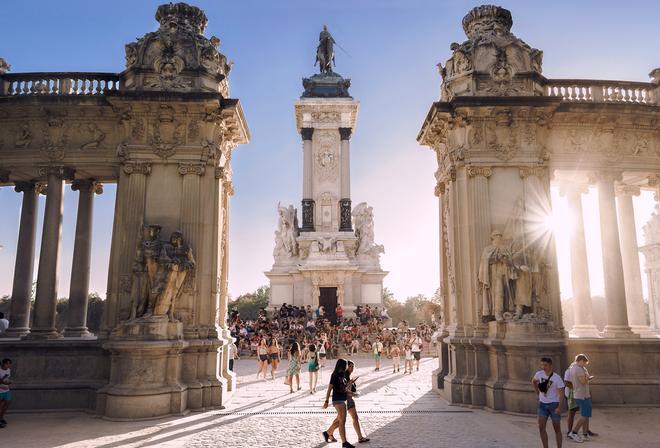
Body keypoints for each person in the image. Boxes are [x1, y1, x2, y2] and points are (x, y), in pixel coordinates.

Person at [327, 360, 370, 444]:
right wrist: (350, 384)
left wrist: (351, 384)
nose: (351, 368)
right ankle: (330, 434)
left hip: (348, 399)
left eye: (352, 366)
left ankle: (329, 433)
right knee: (341, 420)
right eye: (350, 366)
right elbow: (342, 388)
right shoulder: (342, 375)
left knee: (344, 419)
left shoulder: (346, 375)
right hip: (346, 399)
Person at [322, 359, 355, 448]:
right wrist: (326, 401)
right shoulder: (334, 375)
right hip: (337, 400)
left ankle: (327, 433)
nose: (346, 367)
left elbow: (343, 388)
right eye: (345, 365)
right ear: (342, 366)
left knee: (339, 420)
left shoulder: (342, 375)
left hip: (342, 399)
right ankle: (344, 442)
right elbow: (329, 389)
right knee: (342, 421)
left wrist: (349, 384)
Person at [533, 357, 565, 448]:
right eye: (542, 365)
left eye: (545, 365)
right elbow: (534, 381)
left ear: (551, 365)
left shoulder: (557, 378)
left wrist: (559, 407)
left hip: (554, 405)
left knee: (557, 429)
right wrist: (537, 393)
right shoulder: (539, 374)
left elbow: (561, 394)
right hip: (542, 404)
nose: (543, 367)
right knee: (541, 427)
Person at [568, 354, 597, 442]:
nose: (585, 364)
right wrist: (588, 378)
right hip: (582, 395)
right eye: (584, 362)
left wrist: (586, 377)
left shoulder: (574, 367)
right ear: (580, 361)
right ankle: (574, 432)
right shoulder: (578, 369)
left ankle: (585, 434)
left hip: (581, 394)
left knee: (586, 414)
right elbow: (583, 381)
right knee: (584, 415)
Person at [0, 358, 11, 428]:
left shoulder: (9, 370)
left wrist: (8, 383)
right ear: (3, 364)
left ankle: (1, 418)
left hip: (6, 390)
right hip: (0, 391)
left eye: (9, 364)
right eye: (7, 363)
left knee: (7, 403)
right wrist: (2, 384)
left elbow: (6, 379)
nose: (9, 365)